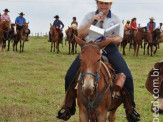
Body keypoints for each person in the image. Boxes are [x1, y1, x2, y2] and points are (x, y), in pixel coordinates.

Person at [57, 0, 140, 121]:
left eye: (106, 3)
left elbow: (120, 38)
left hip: (110, 49)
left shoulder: (116, 18)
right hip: (90, 49)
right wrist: (92, 21)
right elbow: (80, 34)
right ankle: (68, 107)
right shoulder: (89, 16)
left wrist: (109, 39)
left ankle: (130, 109)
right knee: (69, 75)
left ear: (110, 4)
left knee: (127, 76)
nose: (103, 5)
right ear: (97, 3)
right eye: (101, 3)